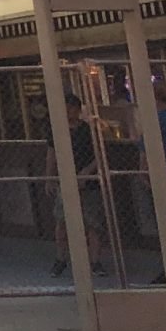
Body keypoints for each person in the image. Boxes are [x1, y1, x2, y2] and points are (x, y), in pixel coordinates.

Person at [49, 95, 109, 278]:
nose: (68, 112)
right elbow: (51, 154)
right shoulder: (57, 131)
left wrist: (87, 171)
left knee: (92, 223)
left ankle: (95, 261)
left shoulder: (88, 131)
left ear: (78, 109)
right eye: (65, 108)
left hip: (87, 183)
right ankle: (61, 259)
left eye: (71, 108)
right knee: (61, 221)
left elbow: (99, 154)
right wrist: (49, 177)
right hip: (65, 181)